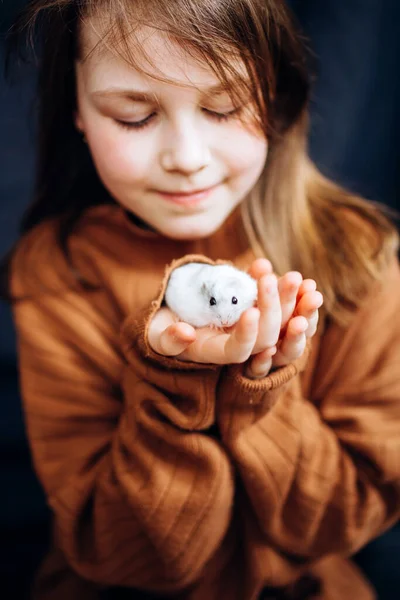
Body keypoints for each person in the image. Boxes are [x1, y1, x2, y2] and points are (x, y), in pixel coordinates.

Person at [1, 1, 399, 599]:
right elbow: (130, 557)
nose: (186, 158)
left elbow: (346, 517)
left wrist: (258, 395)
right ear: (78, 109)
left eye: (224, 107)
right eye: (134, 116)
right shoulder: (61, 272)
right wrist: (175, 385)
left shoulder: (355, 255)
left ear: (277, 97)